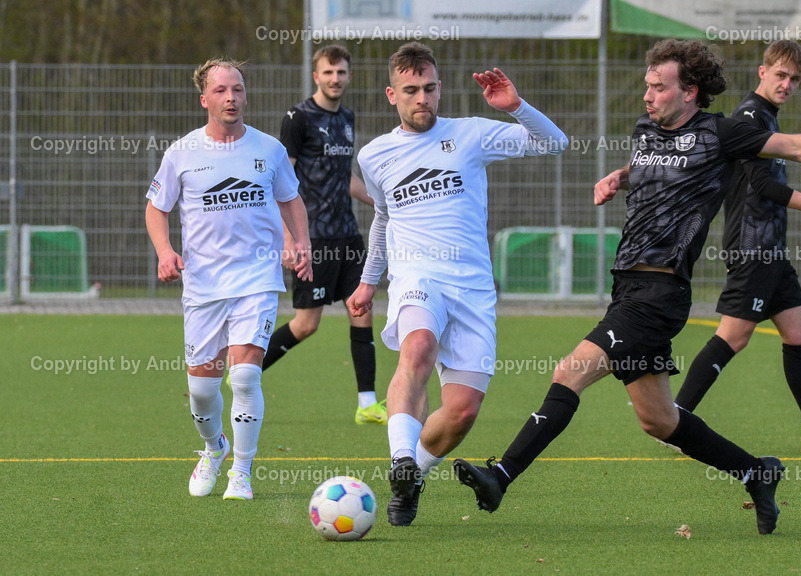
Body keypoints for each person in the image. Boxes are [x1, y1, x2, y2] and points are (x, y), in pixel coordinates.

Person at [453, 38, 801, 535]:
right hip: (629, 289)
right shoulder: (647, 129)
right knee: (659, 421)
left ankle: (501, 476)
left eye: (659, 87)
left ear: (690, 92)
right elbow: (652, 167)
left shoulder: (722, 134)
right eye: (647, 85)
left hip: (659, 295)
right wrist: (618, 177)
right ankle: (757, 472)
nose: (648, 95)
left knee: (569, 371)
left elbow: (792, 144)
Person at [346, 42, 568, 526]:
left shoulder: (470, 134)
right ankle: (401, 457)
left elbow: (555, 144)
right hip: (416, 277)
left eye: (428, 88)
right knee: (418, 346)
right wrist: (368, 281)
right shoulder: (375, 155)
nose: (421, 98)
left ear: (440, 88)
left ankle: (413, 476)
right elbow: (383, 219)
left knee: (462, 411)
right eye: (410, 90)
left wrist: (516, 108)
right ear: (391, 95)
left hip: (472, 288)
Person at [675, 41, 801, 453]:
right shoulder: (749, 117)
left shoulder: (768, 119)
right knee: (733, 337)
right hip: (752, 250)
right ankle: (674, 420)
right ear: (762, 72)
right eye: (780, 75)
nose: (787, 84)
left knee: (799, 333)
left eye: (795, 79)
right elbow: (763, 185)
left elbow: (788, 160)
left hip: (771, 252)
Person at [145, 58, 313, 501]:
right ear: (205, 99)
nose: (231, 98)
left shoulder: (269, 149)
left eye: (237, 89)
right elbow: (157, 208)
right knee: (202, 392)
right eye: (221, 90)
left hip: (256, 279)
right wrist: (165, 251)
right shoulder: (181, 152)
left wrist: (302, 243)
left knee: (244, 379)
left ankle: (242, 471)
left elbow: (291, 199)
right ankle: (213, 448)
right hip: (203, 286)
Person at [261, 45, 386, 426]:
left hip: (348, 237)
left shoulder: (347, 117)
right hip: (311, 240)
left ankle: (367, 404)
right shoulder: (298, 118)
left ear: (349, 76)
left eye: (342, 72)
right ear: (316, 76)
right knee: (306, 325)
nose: (335, 79)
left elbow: (343, 176)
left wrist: (382, 202)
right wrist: (288, 238)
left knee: (360, 311)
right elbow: (282, 181)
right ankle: (247, 368)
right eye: (328, 72)